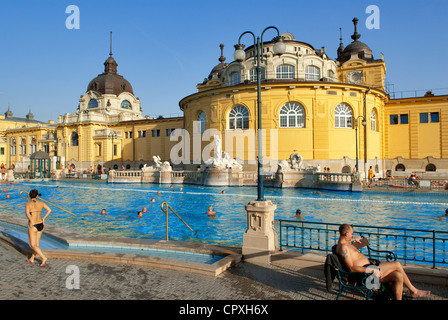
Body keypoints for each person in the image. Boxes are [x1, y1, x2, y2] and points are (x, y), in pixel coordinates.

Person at [336, 224, 430, 300]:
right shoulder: (343, 248)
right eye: (352, 234)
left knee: (398, 276)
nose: (353, 235)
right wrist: (372, 271)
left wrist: (354, 239)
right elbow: (352, 268)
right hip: (366, 275)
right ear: (346, 234)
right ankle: (413, 291)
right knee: (396, 264)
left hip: (369, 268)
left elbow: (348, 245)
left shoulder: (344, 244)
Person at [25, 189, 51, 267]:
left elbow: (27, 214)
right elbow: (49, 210)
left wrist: (31, 220)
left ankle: (43, 258)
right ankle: (32, 258)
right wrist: (43, 218)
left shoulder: (28, 204)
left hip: (33, 225)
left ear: (29, 195)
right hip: (40, 224)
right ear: (37, 196)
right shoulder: (41, 203)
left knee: (33, 245)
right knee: (37, 244)